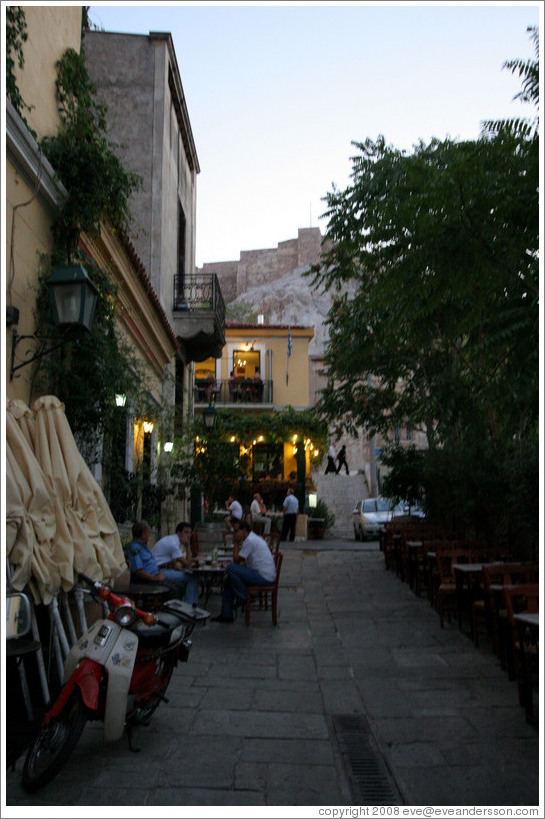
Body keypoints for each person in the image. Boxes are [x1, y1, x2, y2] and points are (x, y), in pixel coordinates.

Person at [211, 520, 276, 623]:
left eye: (236, 531)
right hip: (264, 574)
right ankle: (226, 615)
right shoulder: (254, 538)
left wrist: (236, 543)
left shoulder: (250, 541)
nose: (234, 534)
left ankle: (246, 596)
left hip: (263, 577)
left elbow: (236, 561)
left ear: (244, 530)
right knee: (229, 580)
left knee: (231, 568)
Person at [125, 520, 200, 604]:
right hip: (147, 579)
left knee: (179, 585)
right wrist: (155, 578)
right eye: (148, 532)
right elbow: (138, 571)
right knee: (176, 588)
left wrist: (158, 572)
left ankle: (183, 609)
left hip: (157, 573)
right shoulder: (134, 548)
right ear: (143, 534)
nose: (149, 535)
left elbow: (155, 563)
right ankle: (178, 610)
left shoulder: (143, 546)